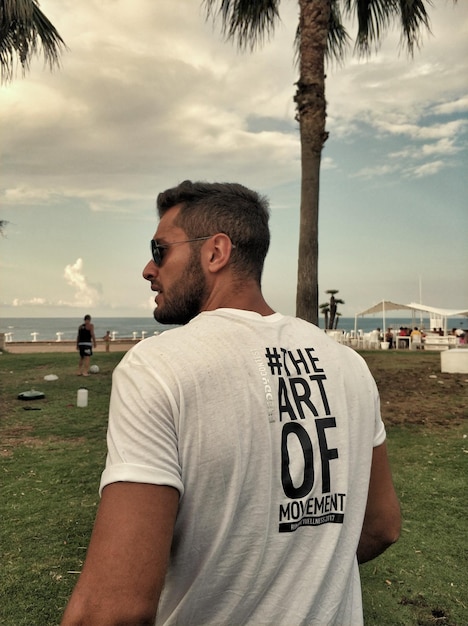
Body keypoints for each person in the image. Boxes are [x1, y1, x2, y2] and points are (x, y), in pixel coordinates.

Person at [61, 181, 401, 626]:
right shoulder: (349, 366)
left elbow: (112, 609)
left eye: (160, 250)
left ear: (215, 253)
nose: (148, 268)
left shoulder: (159, 367)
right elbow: (381, 526)